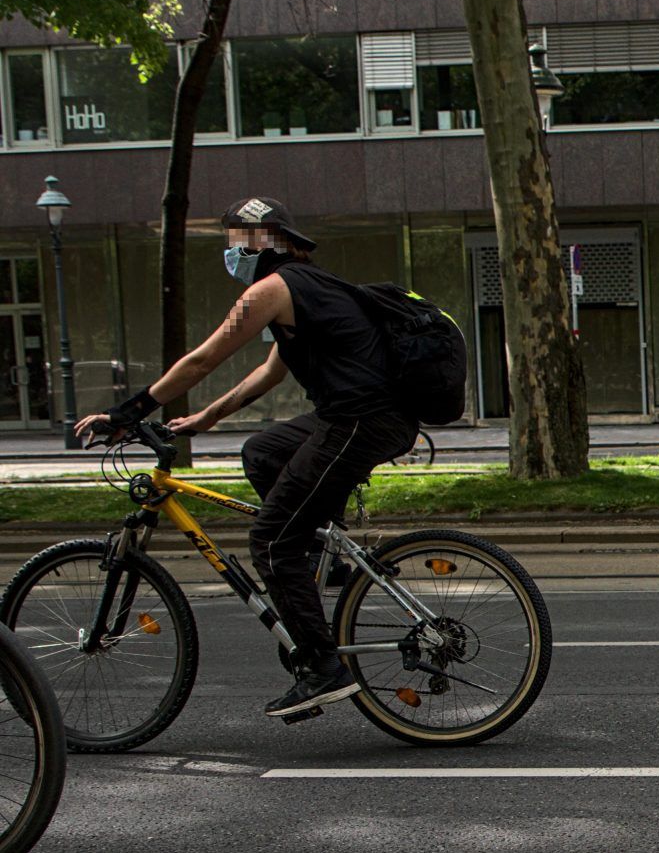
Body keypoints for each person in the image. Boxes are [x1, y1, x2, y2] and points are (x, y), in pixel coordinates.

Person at [74, 199, 417, 719]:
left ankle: (324, 668)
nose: (233, 252)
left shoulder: (274, 289)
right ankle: (326, 558)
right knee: (261, 453)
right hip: (358, 418)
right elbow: (269, 373)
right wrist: (205, 419)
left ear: (267, 243)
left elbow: (203, 358)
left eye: (240, 240)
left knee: (271, 541)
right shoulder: (306, 288)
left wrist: (129, 412)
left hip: (360, 422)